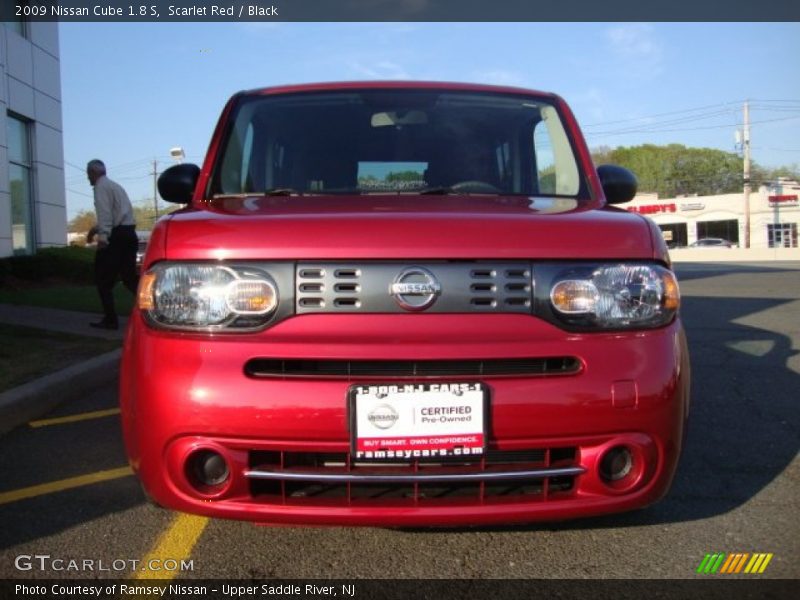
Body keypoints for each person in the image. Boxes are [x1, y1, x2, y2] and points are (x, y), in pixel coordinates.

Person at [86, 159, 139, 330]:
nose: (88, 178)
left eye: (88, 174)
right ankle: (154, 311)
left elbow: (105, 213)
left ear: (93, 172)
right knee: (130, 278)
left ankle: (110, 319)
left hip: (115, 238)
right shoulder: (115, 186)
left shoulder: (100, 187)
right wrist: (94, 230)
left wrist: (103, 237)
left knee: (102, 279)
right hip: (129, 234)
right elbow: (119, 214)